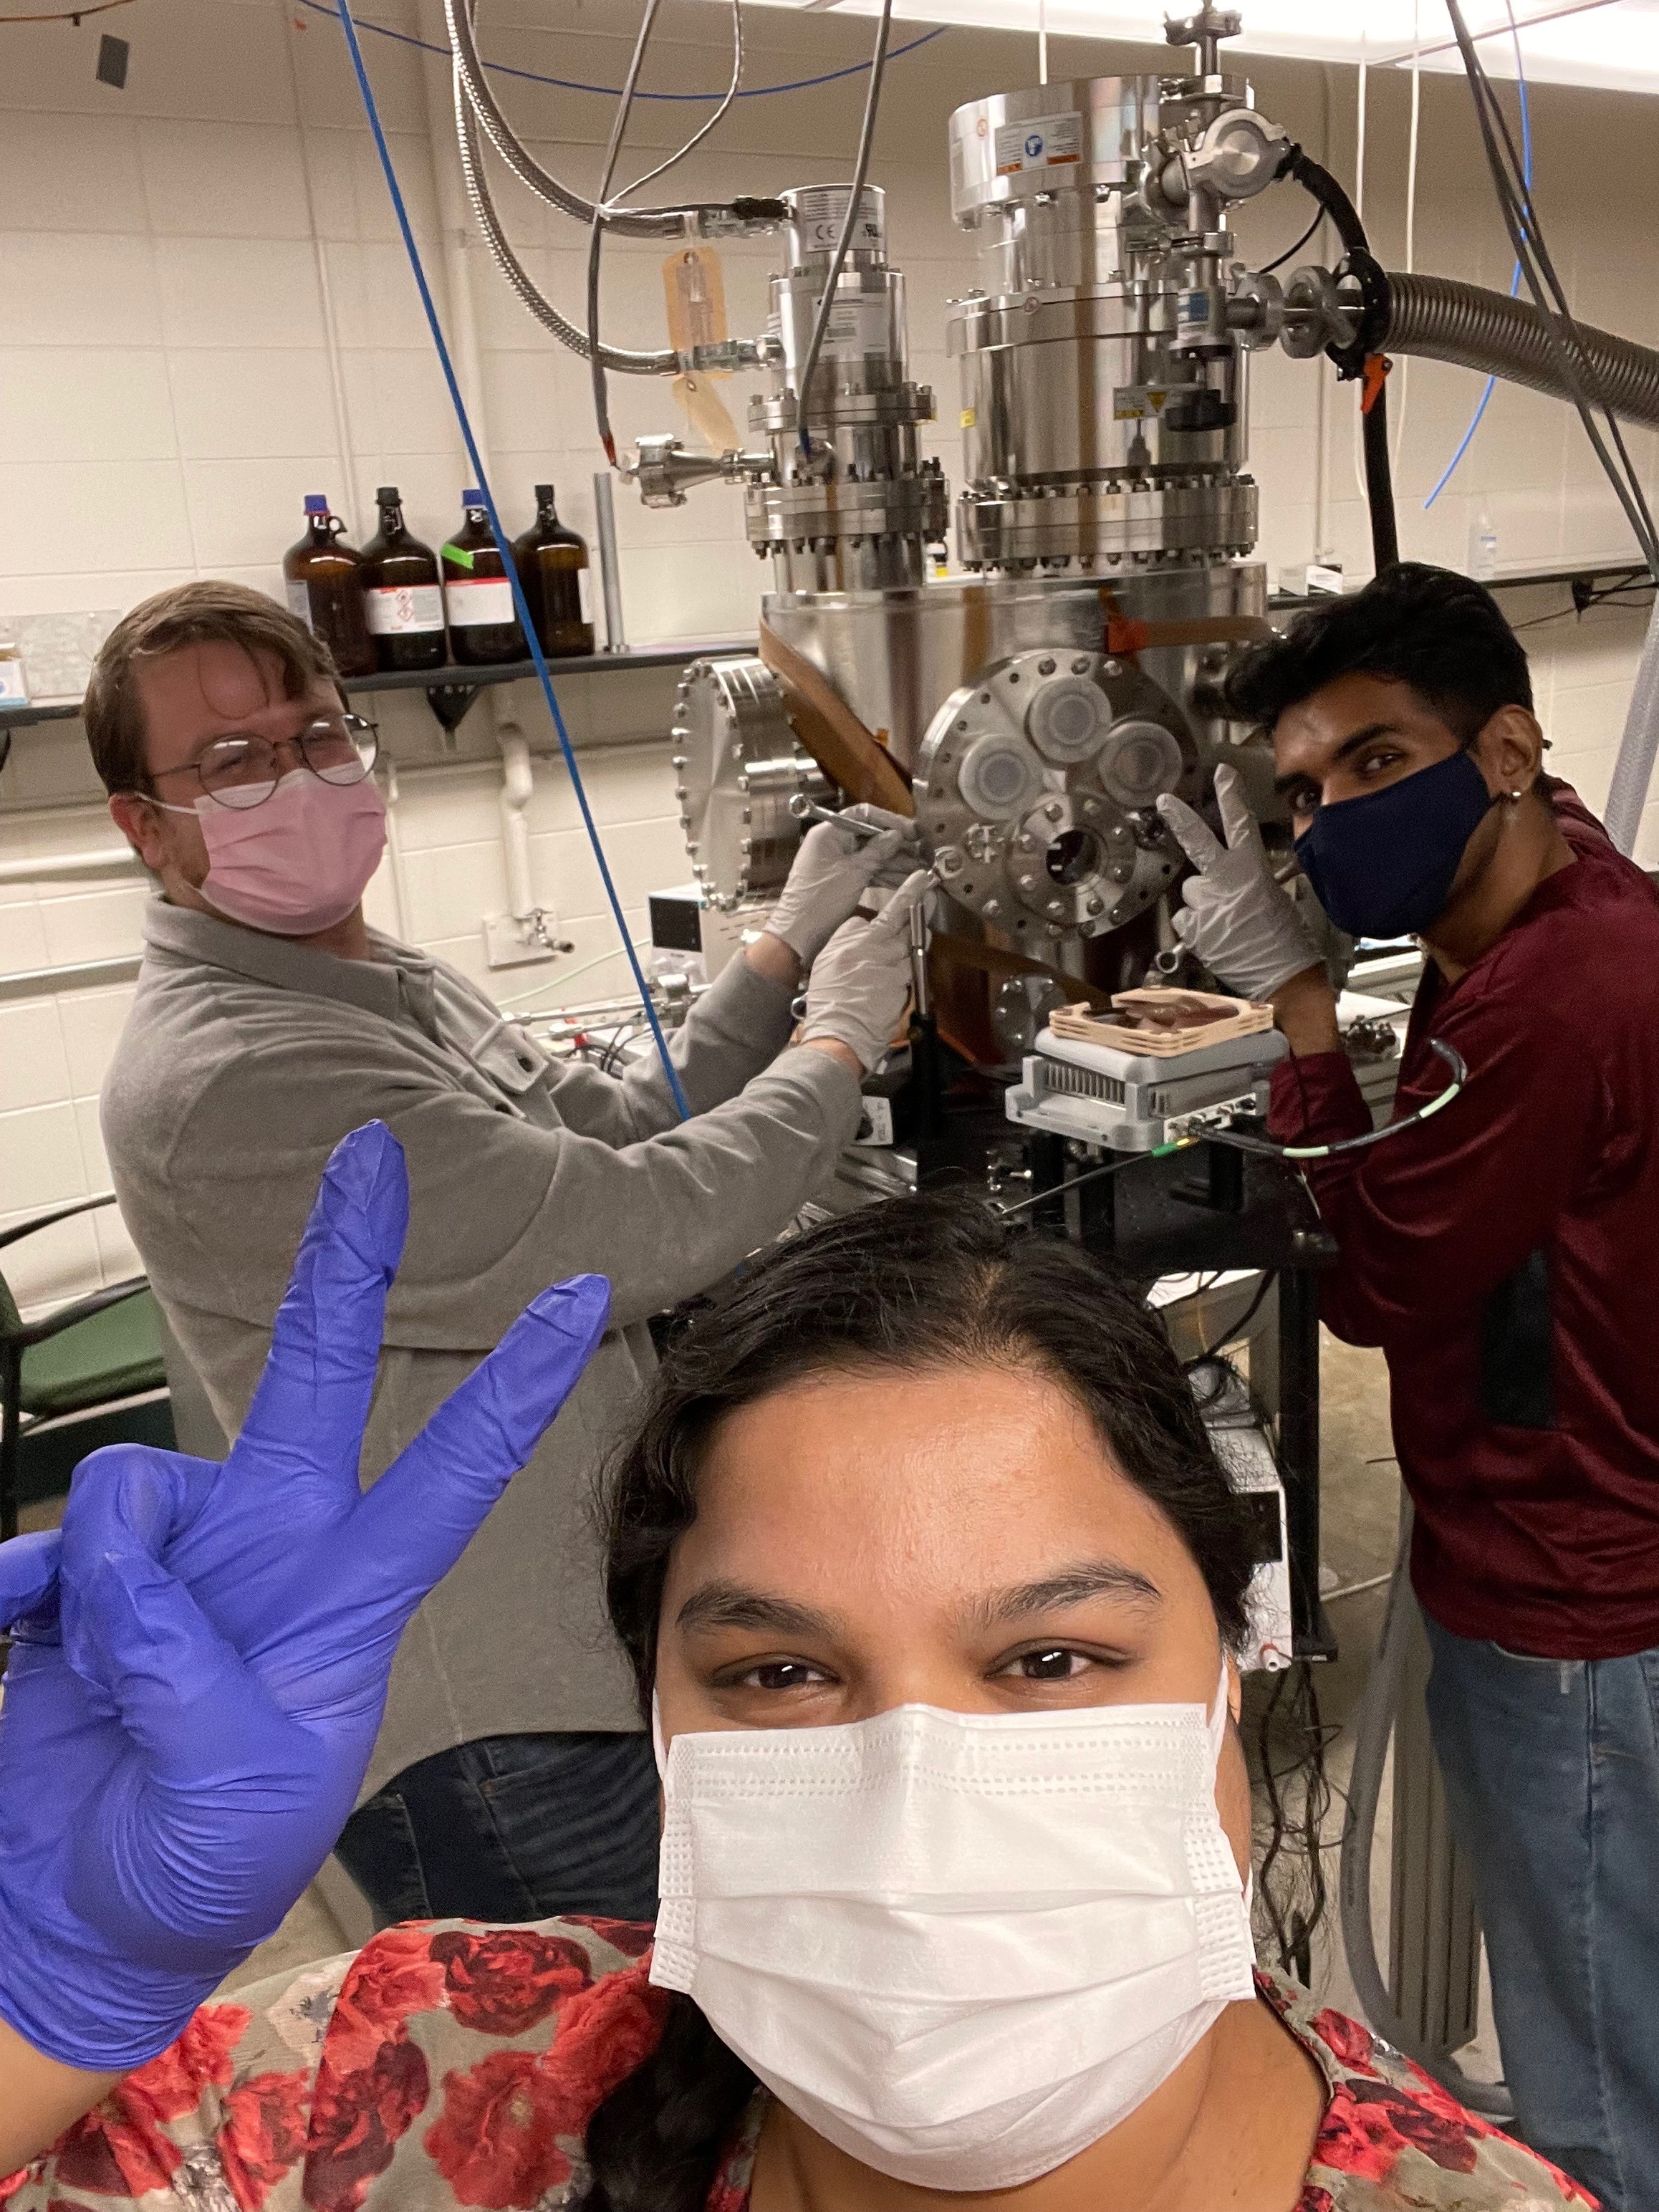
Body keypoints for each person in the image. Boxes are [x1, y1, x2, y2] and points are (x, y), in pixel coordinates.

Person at [0, 1150, 1591, 2211]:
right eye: (778, 1671)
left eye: (1048, 1658)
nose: (914, 1800)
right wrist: (42, 2004)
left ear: (1231, 1676)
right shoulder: (414, 2083)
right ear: (660, 1731)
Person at [86, 580, 926, 1930]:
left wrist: (781, 951)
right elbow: (635, 1225)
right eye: (232, 761)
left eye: (315, 735)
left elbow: (622, 1122)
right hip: (492, 1726)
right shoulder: (237, 1071)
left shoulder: (376, 979)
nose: (296, 778)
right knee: (585, 2050)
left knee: (685, 2019)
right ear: (145, 824)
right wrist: (838, 1040)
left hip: (587, 1643)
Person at [1158, 560, 1659, 2210]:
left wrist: (1300, 1010)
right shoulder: (1556, 893)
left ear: (1503, 748)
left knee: (1601, 2075)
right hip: (1564, 1546)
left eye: (1377, 761)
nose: (1332, 818)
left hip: (1576, 1593)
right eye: (1304, 792)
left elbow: (1378, 1281)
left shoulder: (1557, 993)